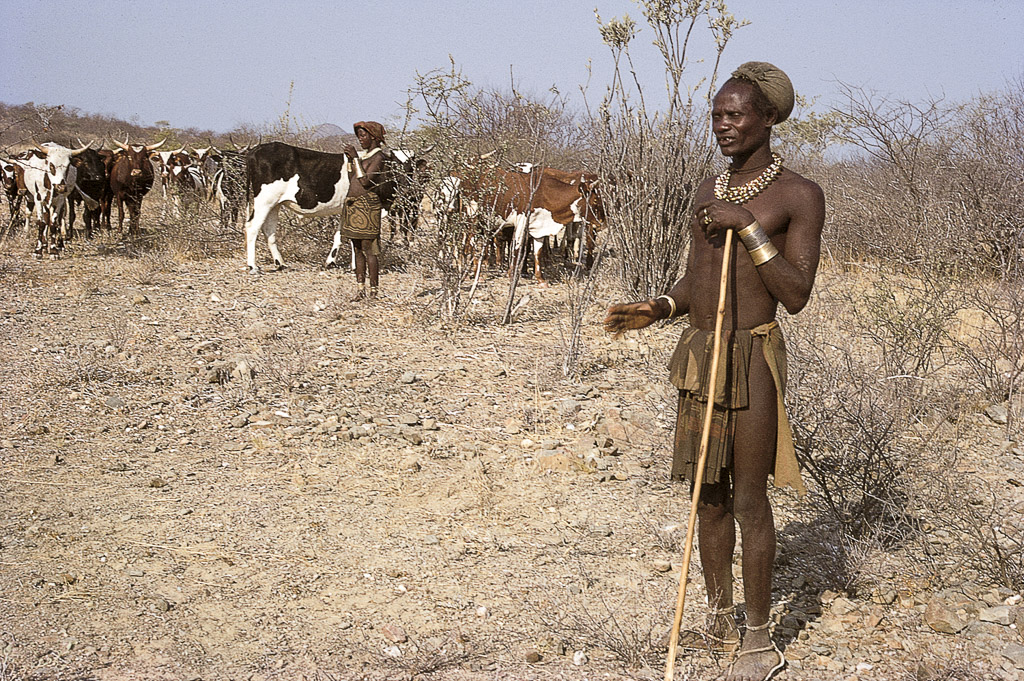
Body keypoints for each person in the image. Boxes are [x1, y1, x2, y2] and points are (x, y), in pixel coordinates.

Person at [604, 62, 825, 681]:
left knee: (750, 498)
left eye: (736, 115)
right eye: (717, 115)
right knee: (707, 496)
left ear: (769, 119)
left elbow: (796, 292)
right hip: (701, 352)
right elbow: (702, 280)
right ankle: (718, 614)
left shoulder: (798, 195)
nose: (723, 125)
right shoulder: (709, 188)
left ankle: (759, 636)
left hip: (751, 355)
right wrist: (661, 307)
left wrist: (750, 229)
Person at [340, 121, 387, 300]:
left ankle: (374, 291)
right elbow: (354, 177)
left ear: (374, 137)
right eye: (359, 136)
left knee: (369, 249)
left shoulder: (379, 157)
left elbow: (366, 181)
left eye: (364, 135)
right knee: (357, 248)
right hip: (355, 206)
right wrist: (352, 160)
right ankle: (360, 290)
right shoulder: (365, 157)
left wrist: (355, 158)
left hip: (368, 205)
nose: (361, 139)